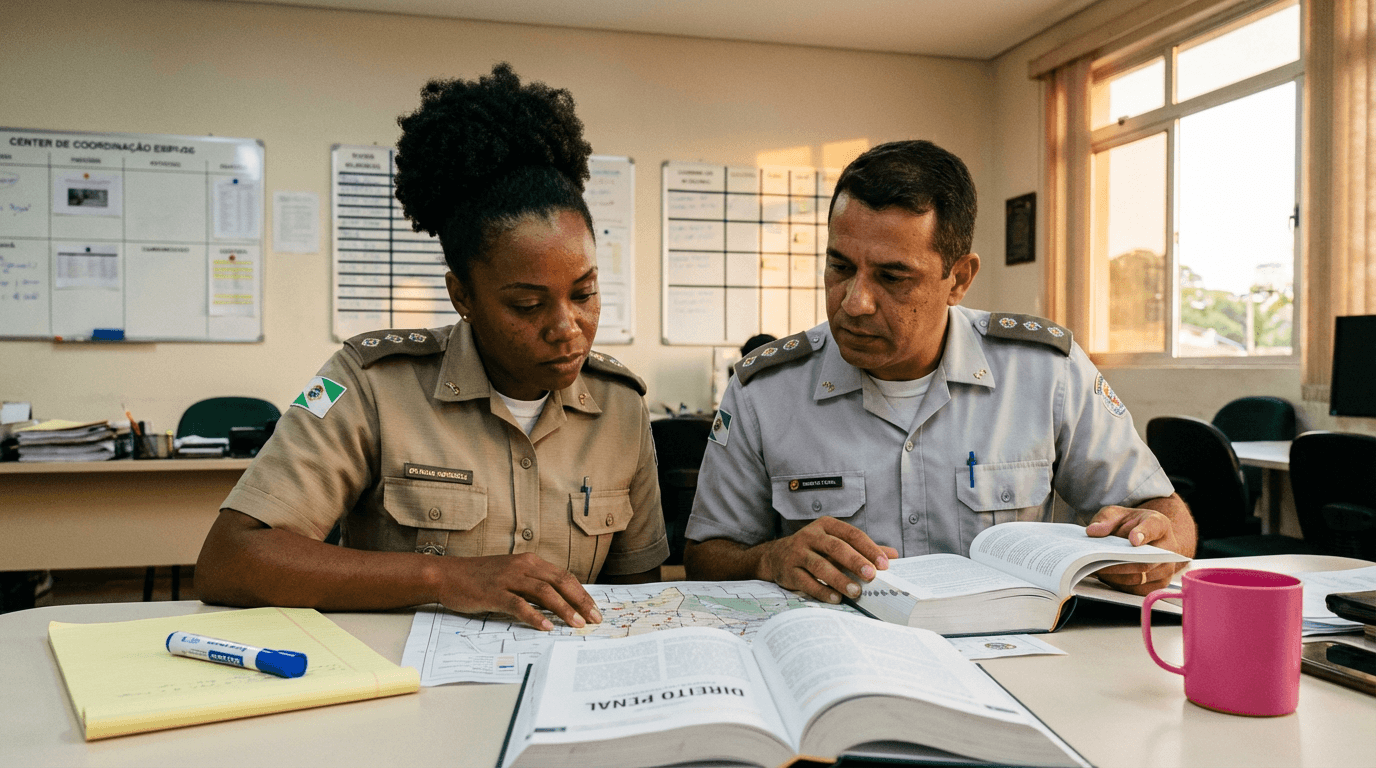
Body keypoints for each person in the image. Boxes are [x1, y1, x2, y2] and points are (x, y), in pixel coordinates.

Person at [197, 64, 668, 631]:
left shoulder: (621, 407)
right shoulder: (370, 383)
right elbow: (231, 559)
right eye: (526, 304)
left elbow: (635, 599)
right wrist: (445, 579)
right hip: (406, 689)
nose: (567, 327)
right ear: (461, 294)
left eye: (585, 293)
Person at [683, 140, 1195, 605]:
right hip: (841, 662)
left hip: (1015, 659)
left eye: (892, 276)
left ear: (960, 279)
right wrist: (769, 559)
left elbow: (1164, 513)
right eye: (840, 267)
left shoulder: (1044, 372)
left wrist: (1154, 542)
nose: (855, 302)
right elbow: (706, 556)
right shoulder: (765, 391)